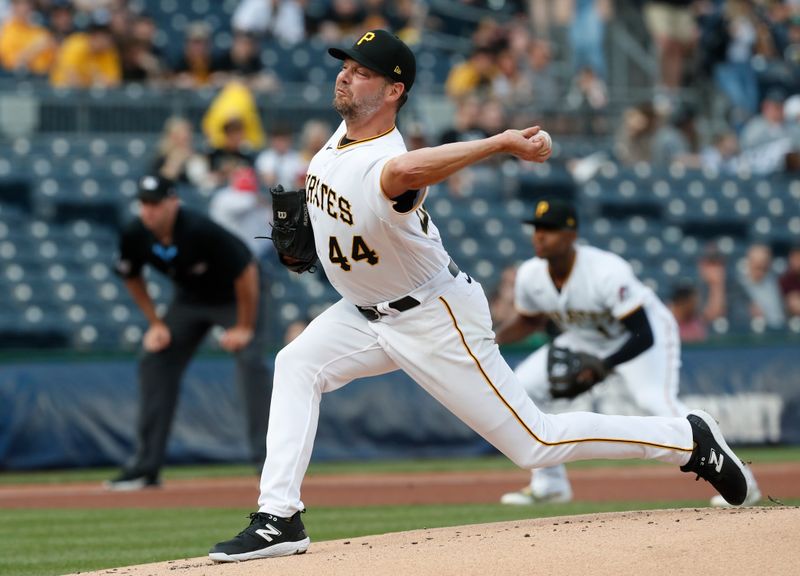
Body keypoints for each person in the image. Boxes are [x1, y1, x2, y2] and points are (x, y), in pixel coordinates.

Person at [209, 29, 756, 563]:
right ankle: (279, 516)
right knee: (296, 363)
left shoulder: (389, 161)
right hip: (363, 313)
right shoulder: (338, 140)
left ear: (394, 91)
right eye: (346, 65)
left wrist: (499, 143)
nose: (346, 75)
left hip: (432, 316)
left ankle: (687, 439)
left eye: (363, 72)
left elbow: (411, 169)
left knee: (535, 443)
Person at [494, 198, 759, 508]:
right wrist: (492, 339)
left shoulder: (606, 271)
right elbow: (531, 320)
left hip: (642, 335)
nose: (539, 236)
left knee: (655, 401)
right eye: (536, 229)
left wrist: (602, 366)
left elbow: (642, 333)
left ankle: (743, 481)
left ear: (571, 235)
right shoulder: (530, 274)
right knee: (522, 385)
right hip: (586, 338)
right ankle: (550, 484)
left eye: (549, 229)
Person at [107, 175, 272, 490]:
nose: (148, 211)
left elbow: (247, 272)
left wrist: (244, 327)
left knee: (251, 362)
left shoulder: (199, 229)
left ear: (173, 203)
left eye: (155, 203)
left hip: (237, 297)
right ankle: (146, 467)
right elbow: (130, 274)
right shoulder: (134, 233)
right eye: (144, 203)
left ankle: (269, 466)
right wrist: (155, 323)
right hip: (191, 300)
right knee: (154, 358)